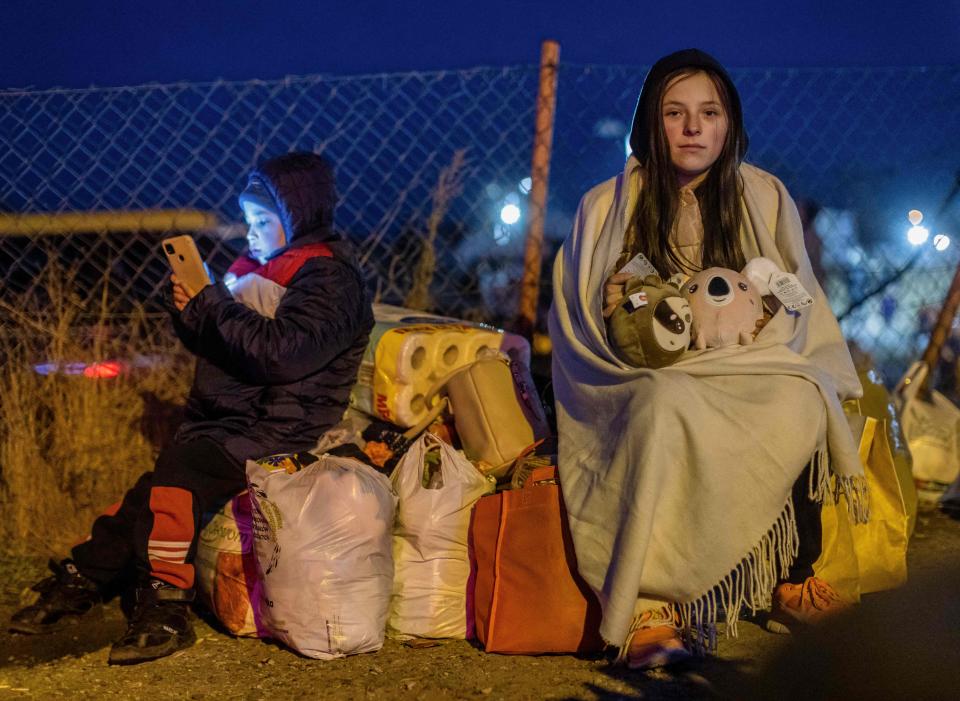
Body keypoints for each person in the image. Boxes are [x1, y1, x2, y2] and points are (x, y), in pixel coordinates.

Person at [548, 49, 867, 670]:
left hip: (748, 360)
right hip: (649, 371)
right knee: (664, 403)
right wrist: (620, 311)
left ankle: (787, 575)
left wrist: (764, 326)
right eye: (675, 112)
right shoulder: (605, 206)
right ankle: (651, 604)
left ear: (729, 124)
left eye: (709, 112)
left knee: (802, 393)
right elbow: (582, 317)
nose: (693, 128)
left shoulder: (764, 194)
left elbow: (798, 297)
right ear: (651, 124)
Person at [8, 151, 374, 664]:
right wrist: (188, 307)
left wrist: (210, 306)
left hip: (284, 427)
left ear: (300, 216)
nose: (251, 232)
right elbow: (222, 336)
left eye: (264, 221)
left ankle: (165, 603)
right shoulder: (259, 268)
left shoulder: (329, 280)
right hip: (235, 420)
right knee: (154, 488)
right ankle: (87, 575)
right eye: (248, 220)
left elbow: (282, 355)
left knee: (178, 473)